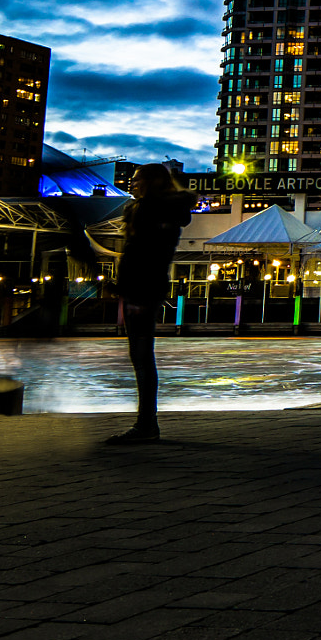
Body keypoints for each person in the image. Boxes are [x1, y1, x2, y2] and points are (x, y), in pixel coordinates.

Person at [105, 163, 194, 445]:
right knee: (141, 356)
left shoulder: (149, 211)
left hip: (142, 290)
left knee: (141, 356)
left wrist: (135, 294)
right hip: (143, 289)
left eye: (135, 179)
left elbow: (147, 256)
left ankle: (146, 424)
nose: (130, 184)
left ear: (150, 182)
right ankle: (146, 423)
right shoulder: (155, 210)